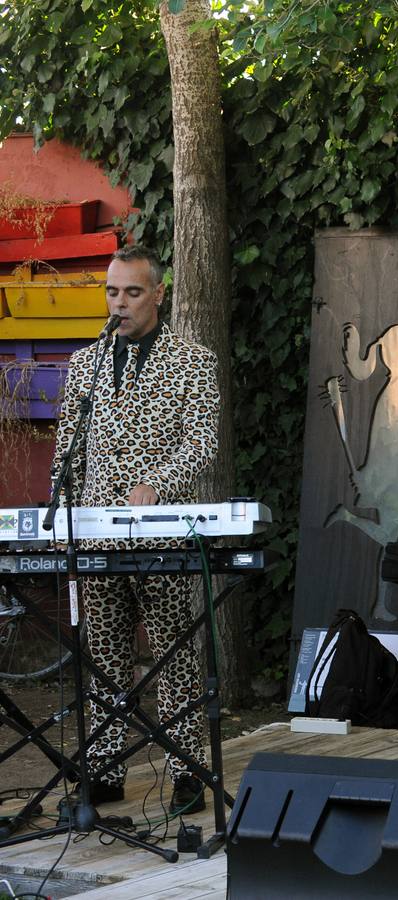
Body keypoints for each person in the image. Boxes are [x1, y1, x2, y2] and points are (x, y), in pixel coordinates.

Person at [50, 244, 220, 813]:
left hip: (164, 534)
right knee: (103, 658)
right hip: (96, 535)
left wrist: (160, 483)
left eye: (132, 292)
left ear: (158, 294)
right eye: (111, 291)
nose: (119, 303)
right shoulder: (85, 364)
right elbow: (66, 455)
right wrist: (59, 516)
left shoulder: (192, 361)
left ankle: (187, 770)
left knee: (174, 654)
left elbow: (202, 442)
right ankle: (103, 768)